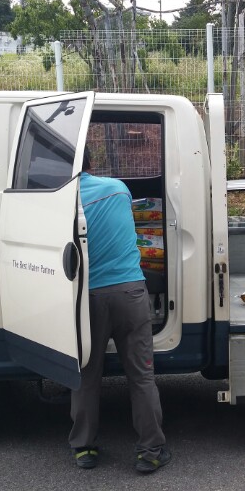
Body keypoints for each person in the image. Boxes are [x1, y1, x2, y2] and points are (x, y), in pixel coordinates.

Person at [69, 150, 170, 473]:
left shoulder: (60, 202)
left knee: (86, 376)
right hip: (130, 294)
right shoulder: (118, 189)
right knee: (141, 377)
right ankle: (150, 451)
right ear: (90, 163)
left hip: (88, 298)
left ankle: (84, 448)